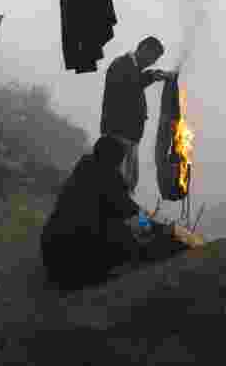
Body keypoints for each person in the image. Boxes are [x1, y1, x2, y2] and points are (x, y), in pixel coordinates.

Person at [40, 135, 153, 295]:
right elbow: (130, 209)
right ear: (116, 160)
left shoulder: (83, 168)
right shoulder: (111, 179)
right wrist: (147, 224)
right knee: (126, 237)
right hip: (72, 263)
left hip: (50, 252)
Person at [100, 36, 172, 193]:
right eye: (153, 57)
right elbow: (129, 86)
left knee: (128, 183)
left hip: (129, 139)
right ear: (143, 49)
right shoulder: (121, 65)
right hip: (117, 137)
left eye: (155, 60)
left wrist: (154, 74)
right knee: (116, 186)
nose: (152, 62)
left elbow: (136, 81)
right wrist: (153, 76)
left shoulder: (132, 69)